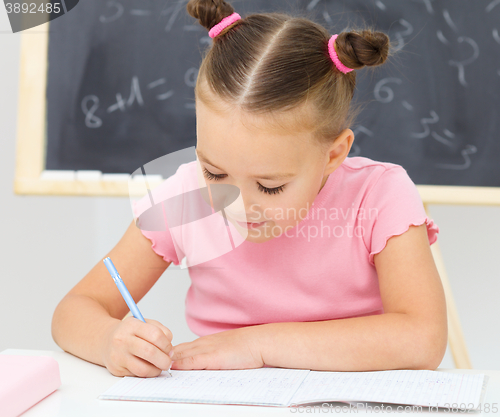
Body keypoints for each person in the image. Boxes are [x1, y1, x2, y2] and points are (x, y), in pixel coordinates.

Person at [52, 0, 448, 378]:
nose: (238, 206)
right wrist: (109, 341)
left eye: (270, 186)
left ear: (334, 154)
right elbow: (74, 311)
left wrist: (258, 345)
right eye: (214, 172)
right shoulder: (185, 197)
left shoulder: (379, 196)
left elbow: (423, 340)